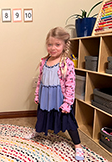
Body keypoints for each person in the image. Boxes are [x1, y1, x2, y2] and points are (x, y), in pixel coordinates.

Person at [24, 27, 84, 161]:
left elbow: (70, 85)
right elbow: (40, 80)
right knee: (42, 116)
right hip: (45, 96)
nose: (53, 48)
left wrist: (68, 103)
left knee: (68, 122)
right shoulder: (44, 61)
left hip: (60, 98)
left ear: (64, 46)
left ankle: (78, 145)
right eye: (50, 44)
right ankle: (38, 131)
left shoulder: (66, 63)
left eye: (57, 45)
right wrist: (37, 95)